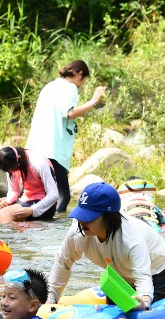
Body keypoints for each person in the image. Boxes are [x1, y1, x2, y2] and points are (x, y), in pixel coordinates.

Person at [50, 183, 165, 308]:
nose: (82, 221)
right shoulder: (78, 232)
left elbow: (143, 278)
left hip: (155, 269)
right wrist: (50, 299)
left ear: (108, 217)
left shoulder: (131, 239)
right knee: (114, 313)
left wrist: (144, 304)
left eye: (89, 216)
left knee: (151, 312)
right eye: (81, 214)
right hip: (118, 273)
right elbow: (63, 262)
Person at [26, 60, 108, 214]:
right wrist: (93, 101)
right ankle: (58, 227)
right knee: (63, 196)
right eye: (83, 80)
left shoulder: (49, 86)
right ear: (80, 74)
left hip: (35, 149)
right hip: (53, 150)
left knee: (41, 195)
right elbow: (69, 113)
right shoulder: (70, 87)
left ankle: (36, 225)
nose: (82, 84)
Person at [0, 146, 59, 233]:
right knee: (3, 213)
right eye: (9, 171)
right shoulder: (11, 166)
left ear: (19, 159)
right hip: (26, 200)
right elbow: (14, 191)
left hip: (44, 205)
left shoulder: (39, 163)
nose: (12, 172)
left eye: (14, 169)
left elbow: (54, 194)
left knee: (7, 213)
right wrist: (7, 202)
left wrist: (32, 210)